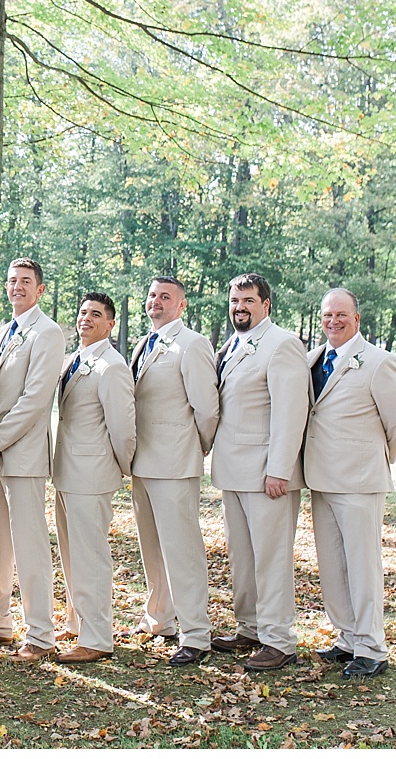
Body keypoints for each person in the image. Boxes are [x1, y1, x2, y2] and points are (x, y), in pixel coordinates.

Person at [304, 288, 396, 679]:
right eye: (327, 315)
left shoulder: (378, 362)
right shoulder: (313, 359)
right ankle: (347, 637)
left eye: (341, 315)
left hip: (361, 482)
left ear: (357, 318)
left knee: (362, 565)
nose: (333, 321)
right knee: (333, 564)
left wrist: (379, 459)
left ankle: (372, 647)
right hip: (321, 478)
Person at [209, 272, 309, 671]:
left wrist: (280, 470)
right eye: (235, 301)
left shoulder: (282, 345)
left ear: (266, 305)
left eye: (249, 301)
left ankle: (279, 640)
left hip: (267, 475)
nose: (240, 308)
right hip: (233, 470)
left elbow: (290, 412)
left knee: (271, 558)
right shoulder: (232, 345)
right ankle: (250, 627)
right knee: (243, 558)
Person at [0, 258, 65, 663]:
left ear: (40, 289)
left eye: (25, 282)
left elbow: (35, 399)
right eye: (12, 281)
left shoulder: (47, 333)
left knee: (29, 545)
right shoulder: (2, 331)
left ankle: (41, 633)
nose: (17, 288)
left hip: (23, 455)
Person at [127, 276, 220, 666]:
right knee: (152, 547)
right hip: (142, 461)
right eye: (151, 295)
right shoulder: (143, 344)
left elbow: (208, 408)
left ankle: (196, 633)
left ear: (181, 305)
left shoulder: (192, 344)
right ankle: (160, 617)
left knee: (182, 549)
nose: (156, 302)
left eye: (165, 297)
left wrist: (193, 447)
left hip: (175, 462)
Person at [50, 293, 136, 663]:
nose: (86, 318)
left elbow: (123, 427)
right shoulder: (74, 359)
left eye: (96, 314)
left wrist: (120, 466)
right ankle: (77, 622)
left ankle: (98, 637)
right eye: (83, 312)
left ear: (110, 324)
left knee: (91, 556)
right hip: (67, 470)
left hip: (93, 472)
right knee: (71, 554)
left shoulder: (111, 366)